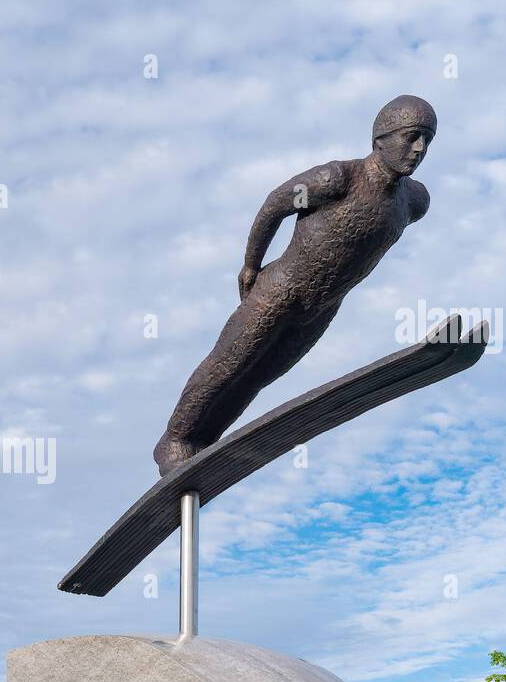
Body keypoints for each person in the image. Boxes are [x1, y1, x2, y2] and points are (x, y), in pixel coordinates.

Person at [153, 95, 437, 475]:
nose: (419, 148)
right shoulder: (337, 179)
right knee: (228, 365)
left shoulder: (414, 201)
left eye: (427, 140)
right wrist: (250, 265)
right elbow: (275, 204)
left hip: (322, 308)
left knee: (259, 376)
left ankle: (203, 442)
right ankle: (174, 441)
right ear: (380, 139)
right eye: (411, 136)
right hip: (280, 291)